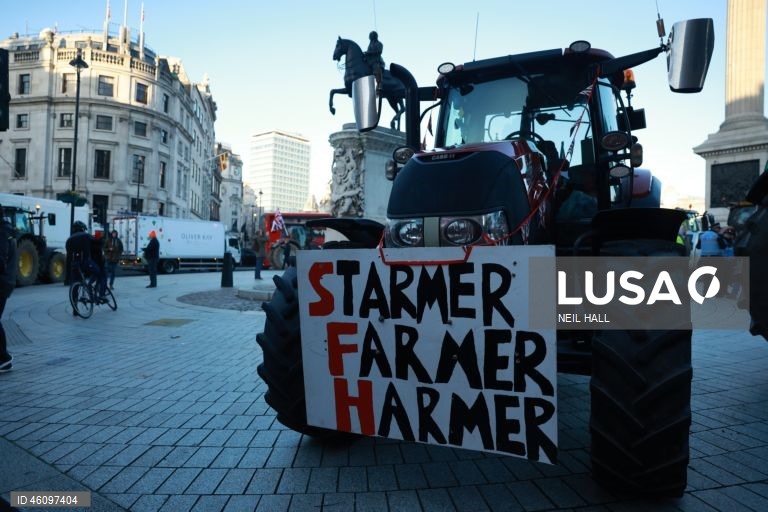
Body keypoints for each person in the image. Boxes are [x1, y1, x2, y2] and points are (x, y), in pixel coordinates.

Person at [66, 221, 107, 300]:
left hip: (74, 265)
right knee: (101, 274)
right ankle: (101, 294)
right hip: (85, 262)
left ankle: (75, 307)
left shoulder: (69, 240)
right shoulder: (86, 236)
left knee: (75, 284)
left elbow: (69, 255)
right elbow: (97, 245)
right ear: (82, 229)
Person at [0, 218, 17, 372]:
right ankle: (3, 358)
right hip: (6, 281)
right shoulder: (7, 231)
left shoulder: (2, 232)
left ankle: (4, 358)